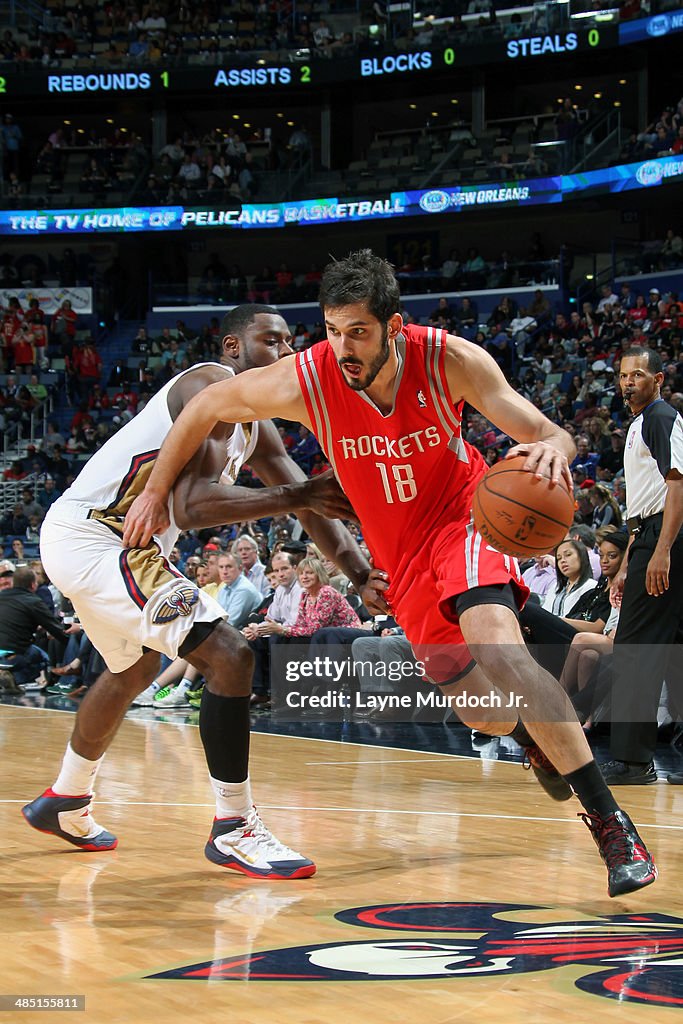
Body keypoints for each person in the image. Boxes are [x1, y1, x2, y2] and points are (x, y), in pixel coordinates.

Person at [125, 250, 657, 899]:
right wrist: (155, 491)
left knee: (501, 649)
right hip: (397, 557)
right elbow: (204, 404)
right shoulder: (306, 379)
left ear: (394, 327)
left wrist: (553, 448)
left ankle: (611, 825)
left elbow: (549, 430)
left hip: (460, 516)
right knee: (483, 714)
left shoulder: (448, 360)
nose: (342, 347)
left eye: (358, 332)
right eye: (332, 330)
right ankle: (532, 735)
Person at [22, 304, 374, 879]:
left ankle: (65, 798)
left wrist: (360, 576)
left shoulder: (256, 428)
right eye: (271, 341)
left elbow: (305, 503)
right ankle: (233, 826)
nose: (285, 355)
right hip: (99, 537)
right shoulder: (211, 385)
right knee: (229, 655)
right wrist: (301, 495)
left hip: (110, 544)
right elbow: (192, 506)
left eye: (290, 344)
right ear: (235, 350)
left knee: (133, 671)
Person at [598, 348, 683, 786]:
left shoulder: (660, 417)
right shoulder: (638, 424)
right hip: (649, 535)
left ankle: (633, 761)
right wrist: (632, 557)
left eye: (637, 374)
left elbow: (677, 484)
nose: (628, 382)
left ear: (658, 378)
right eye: (622, 376)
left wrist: (662, 548)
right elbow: (646, 501)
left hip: (665, 537)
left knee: (635, 648)